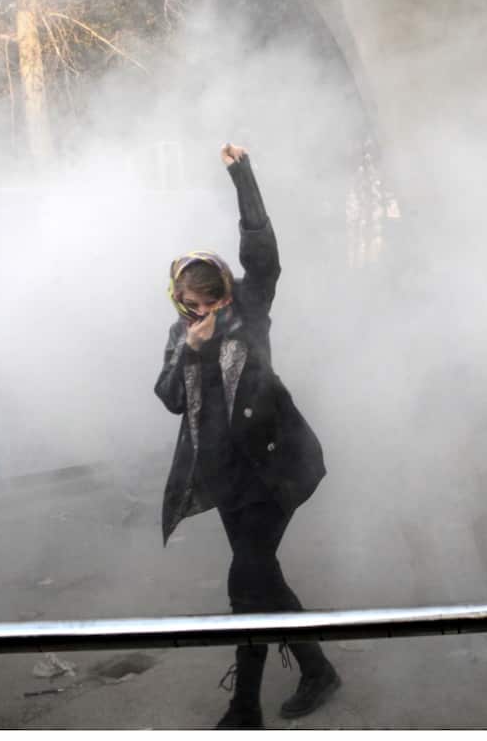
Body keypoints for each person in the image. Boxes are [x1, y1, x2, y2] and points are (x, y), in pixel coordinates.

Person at [154, 143, 340, 729]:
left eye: (206, 306)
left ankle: (244, 709)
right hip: (225, 479)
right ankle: (317, 670)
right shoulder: (181, 334)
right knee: (265, 579)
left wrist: (243, 174)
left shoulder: (250, 311)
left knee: (246, 587)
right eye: (187, 306)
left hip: (276, 473)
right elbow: (168, 399)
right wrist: (191, 352)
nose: (197, 315)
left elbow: (263, 256)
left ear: (226, 296)